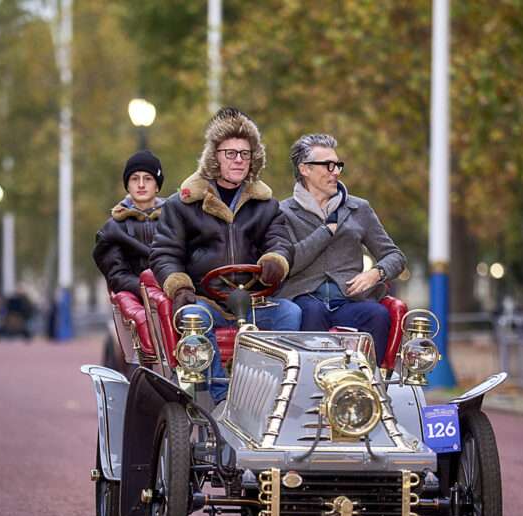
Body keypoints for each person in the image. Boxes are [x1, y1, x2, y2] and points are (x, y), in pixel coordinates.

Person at [150, 107, 300, 402]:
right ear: (214, 157)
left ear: (254, 159)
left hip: (254, 301)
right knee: (193, 318)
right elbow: (164, 253)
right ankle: (220, 399)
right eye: (230, 153)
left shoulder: (267, 206)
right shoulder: (181, 205)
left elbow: (281, 243)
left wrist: (275, 261)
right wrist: (179, 286)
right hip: (208, 302)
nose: (238, 160)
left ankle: (269, 394)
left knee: (291, 313)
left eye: (245, 154)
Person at [275, 133, 406, 365]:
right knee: (309, 313)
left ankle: (366, 387)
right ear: (305, 169)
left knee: (378, 315)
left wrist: (375, 273)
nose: (335, 171)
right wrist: (326, 231)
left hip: (349, 302)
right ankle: (310, 392)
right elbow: (288, 265)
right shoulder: (282, 212)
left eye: (338, 165)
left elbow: (395, 256)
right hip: (304, 299)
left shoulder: (359, 208)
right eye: (328, 165)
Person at [92, 150, 166, 358]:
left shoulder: (177, 220)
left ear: (157, 185)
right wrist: (149, 289)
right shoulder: (113, 229)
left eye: (148, 178)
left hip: (173, 292)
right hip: (137, 297)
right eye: (135, 179)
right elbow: (116, 276)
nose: (141, 184)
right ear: (128, 185)